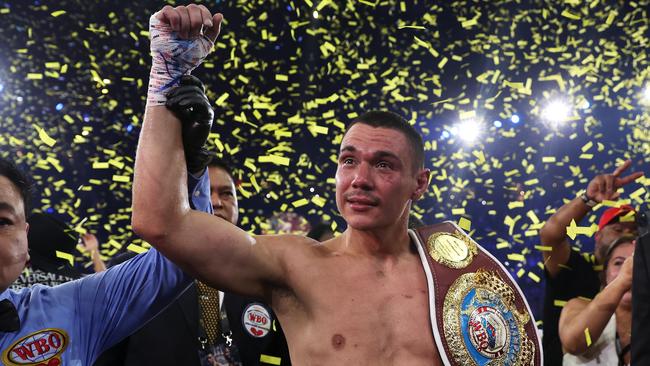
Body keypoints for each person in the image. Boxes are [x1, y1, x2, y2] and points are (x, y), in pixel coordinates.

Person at [134, 5, 515, 364]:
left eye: (383, 165)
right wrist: (166, 74)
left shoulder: (454, 280)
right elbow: (160, 223)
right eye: (349, 161)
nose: (360, 180)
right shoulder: (296, 266)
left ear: (420, 183)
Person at [0, 150, 210, 364]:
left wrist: (187, 167)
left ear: (26, 240)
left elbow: (181, 254)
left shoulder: (70, 310)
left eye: (2, 222)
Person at [539, 161, 642, 365]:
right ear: (598, 235)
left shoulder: (642, 280)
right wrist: (589, 199)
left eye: (633, 231)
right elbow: (550, 235)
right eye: (618, 229)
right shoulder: (576, 267)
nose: (627, 235)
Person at [559, 236, 635, 365]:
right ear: (605, 275)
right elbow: (574, 343)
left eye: (637, 264)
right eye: (618, 263)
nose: (628, 269)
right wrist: (623, 280)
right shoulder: (578, 306)